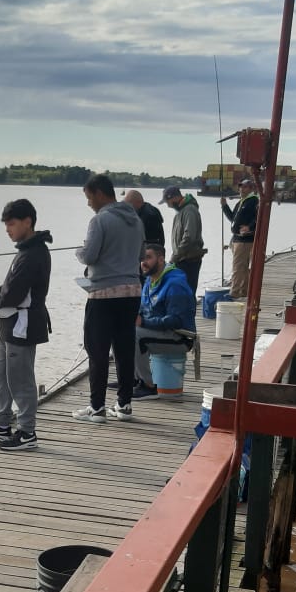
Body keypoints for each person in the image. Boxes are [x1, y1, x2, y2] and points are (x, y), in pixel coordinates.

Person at [0, 198, 52, 452]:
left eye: (12, 224)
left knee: (20, 379)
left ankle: (27, 432)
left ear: (27, 222)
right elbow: (13, 286)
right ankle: (2, 424)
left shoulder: (33, 254)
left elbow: (13, 296)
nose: (8, 229)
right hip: (9, 324)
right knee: (0, 373)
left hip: (22, 326)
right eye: (6, 224)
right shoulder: (26, 250)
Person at [72, 173, 144, 423]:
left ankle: (97, 408)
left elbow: (89, 255)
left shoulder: (99, 220)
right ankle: (124, 405)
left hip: (103, 295)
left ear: (100, 194)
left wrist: (79, 251)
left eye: (89, 197)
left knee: (97, 350)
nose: (88, 203)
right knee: (124, 349)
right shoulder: (136, 220)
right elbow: (141, 254)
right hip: (132, 292)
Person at [132, 242, 197, 398]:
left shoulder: (175, 284)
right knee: (119, 328)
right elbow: (144, 309)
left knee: (134, 335)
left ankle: (148, 386)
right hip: (160, 332)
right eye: (141, 259)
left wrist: (144, 322)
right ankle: (132, 379)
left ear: (161, 259)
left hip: (180, 337)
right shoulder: (150, 280)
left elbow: (175, 321)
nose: (143, 263)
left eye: (148, 258)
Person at [159, 185, 205, 293]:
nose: (168, 205)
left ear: (174, 197)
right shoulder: (180, 211)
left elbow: (189, 237)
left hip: (189, 260)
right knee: (181, 291)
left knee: (187, 292)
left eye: (167, 202)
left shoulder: (189, 210)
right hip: (181, 259)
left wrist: (175, 256)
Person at [223, 178, 259, 300]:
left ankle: (234, 292)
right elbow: (233, 218)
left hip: (244, 240)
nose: (241, 189)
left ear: (251, 189)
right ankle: (244, 290)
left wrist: (250, 227)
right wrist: (224, 206)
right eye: (240, 186)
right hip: (236, 239)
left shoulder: (253, 201)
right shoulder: (241, 202)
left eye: (245, 187)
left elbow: (258, 217)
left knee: (237, 267)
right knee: (242, 267)